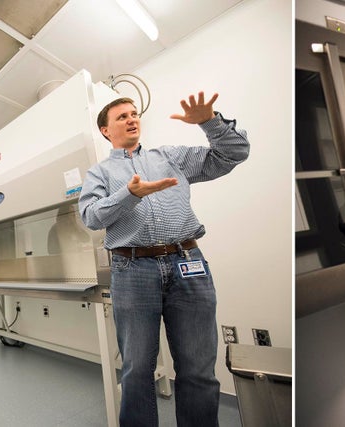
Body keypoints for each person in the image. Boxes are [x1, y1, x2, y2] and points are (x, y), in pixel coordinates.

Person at [78, 93, 249, 426]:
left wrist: (209, 122)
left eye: (133, 114)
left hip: (188, 261)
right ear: (105, 130)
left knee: (198, 366)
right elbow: (91, 217)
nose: (131, 119)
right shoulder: (99, 173)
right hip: (132, 269)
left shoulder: (169, 157)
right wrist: (129, 194)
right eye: (121, 117)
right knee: (137, 368)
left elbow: (233, 154)